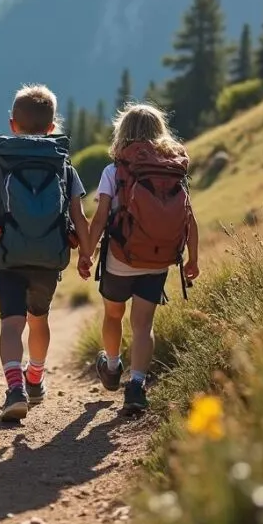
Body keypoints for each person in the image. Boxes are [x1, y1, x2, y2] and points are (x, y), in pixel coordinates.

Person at [0, 85, 92, 422]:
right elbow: (79, 217)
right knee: (38, 320)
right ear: (52, 128)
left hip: (6, 255)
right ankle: (35, 378)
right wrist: (86, 254)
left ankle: (14, 387)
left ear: (12, 124)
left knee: (10, 323)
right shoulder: (63, 165)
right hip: (48, 257)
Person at [82, 103, 199, 415]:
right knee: (144, 322)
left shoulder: (114, 172)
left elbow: (101, 218)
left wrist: (87, 252)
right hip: (159, 259)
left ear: (122, 134)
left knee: (113, 315)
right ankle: (136, 384)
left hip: (121, 257)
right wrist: (193, 259)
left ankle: (111, 364)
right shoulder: (172, 171)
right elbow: (189, 218)